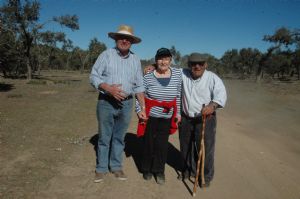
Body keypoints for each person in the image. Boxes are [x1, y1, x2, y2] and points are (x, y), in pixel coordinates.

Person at [90, 24, 146, 183]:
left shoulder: (135, 59)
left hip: (127, 104)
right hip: (106, 102)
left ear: (132, 42)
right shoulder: (106, 55)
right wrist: (108, 88)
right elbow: (94, 77)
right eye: (121, 37)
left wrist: (142, 107)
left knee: (119, 137)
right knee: (104, 137)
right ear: (115, 39)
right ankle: (101, 168)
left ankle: (116, 166)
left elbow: (139, 85)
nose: (124, 40)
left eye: (127, 38)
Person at [179, 52, 227, 187]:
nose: (197, 66)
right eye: (194, 64)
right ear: (189, 65)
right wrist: (153, 66)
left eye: (200, 64)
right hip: (186, 117)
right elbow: (165, 68)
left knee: (205, 148)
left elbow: (221, 94)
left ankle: (205, 176)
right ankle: (189, 170)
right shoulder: (182, 73)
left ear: (205, 65)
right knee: (185, 146)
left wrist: (212, 105)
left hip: (206, 117)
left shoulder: (212, 78)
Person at [136, 48, 182, 185]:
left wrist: (178, 113)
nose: (163, 61)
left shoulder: (177, 74)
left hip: (167, 117)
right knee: (148, 142)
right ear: (156, 60)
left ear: (170, 60)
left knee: (162, 145)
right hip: (150, 116)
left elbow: (178, 96)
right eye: (160, 59)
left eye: (166, 59)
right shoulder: (148, 76)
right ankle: (147, 169)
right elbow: (139, 95)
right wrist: (139, 111)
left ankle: (159, 170)